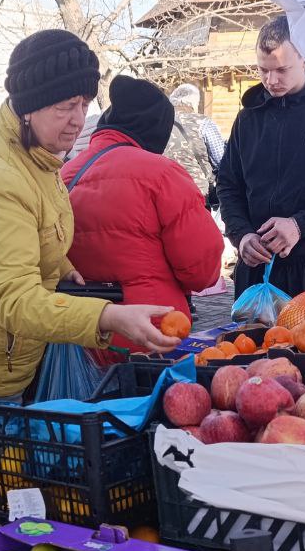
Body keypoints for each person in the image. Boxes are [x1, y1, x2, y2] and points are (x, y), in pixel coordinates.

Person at [0, 30, 179, 487]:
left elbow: (30, 234)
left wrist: (60, 269)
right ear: (29, 104)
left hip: (6, 350)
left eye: (84, 103)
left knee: (17, 482)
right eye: (64, 107)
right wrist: (109, 317)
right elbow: (13, 300)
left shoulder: (32, 146)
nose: (79, 120)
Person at [62, 76, 224, 355]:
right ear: (156, 132)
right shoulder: (162, 174)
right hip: (151, 334)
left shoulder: (65, 175)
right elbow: (201, 271)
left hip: (80, 334)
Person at [217, 15, 305, 298]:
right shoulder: (248, 118)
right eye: (263, 70)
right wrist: (241, 234)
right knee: (248, 344)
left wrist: (299, 225)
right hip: (256, 267)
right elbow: (228, 185)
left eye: (282, 70)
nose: (271, 80)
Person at [167, 84, 225, 207]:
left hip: (164, 190)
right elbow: (221, 160)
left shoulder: (158, 122)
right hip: (196, 191)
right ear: (194, 103)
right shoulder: (203, 123)